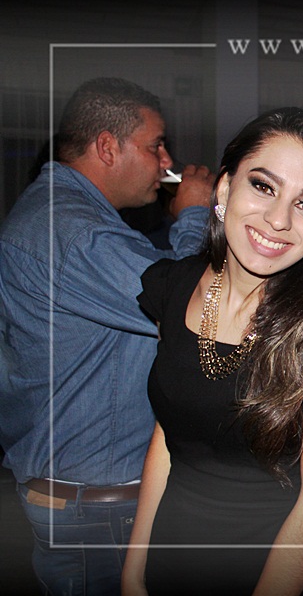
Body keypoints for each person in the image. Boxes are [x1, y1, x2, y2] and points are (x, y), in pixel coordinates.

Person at [119, 108, 303, 595]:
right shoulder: (172, 288)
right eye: (263, 186)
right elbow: (168, 437)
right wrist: (134, 571)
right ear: (224, 189)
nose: (279, 219)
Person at [0, 77, 213, 595]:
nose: (167, 161)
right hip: (97, 513)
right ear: (107, 146)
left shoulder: (66, 219)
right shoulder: (75, 232)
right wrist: (193, 215)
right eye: (155, 145)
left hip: (83, 503)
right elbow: (188, 307)